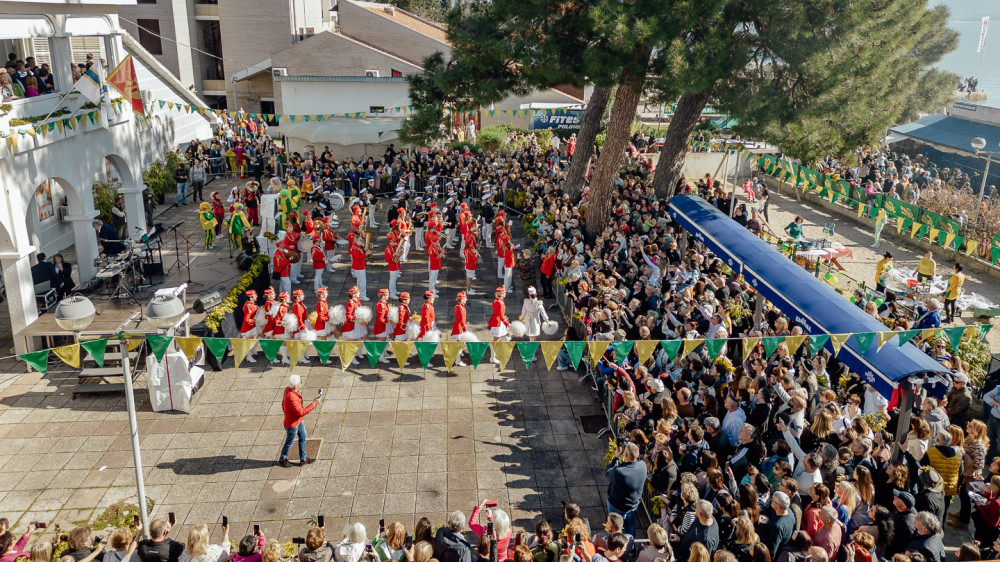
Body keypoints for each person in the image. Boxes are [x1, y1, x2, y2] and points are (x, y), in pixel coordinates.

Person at [605, 441, 647, 536]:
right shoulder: (643, 466)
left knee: (617, 526)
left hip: (618, 505)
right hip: (632, 504)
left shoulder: (619, 472)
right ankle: (631, 541)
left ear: (626, 454)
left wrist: (616, 457)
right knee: (630, 522)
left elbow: (608, 472)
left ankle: (622, 542)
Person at [279, 373, 320, 467]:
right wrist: (314, 404)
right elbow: (301, 412)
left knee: (303, 436)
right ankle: (282, 459)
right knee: (289, 442)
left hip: (298, 420)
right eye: (300, 382)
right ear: (296, 386)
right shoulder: (292, 398)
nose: (301, 383)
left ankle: (303, 458)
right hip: (292, 424)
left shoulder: (287, 389)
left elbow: (283, 403)